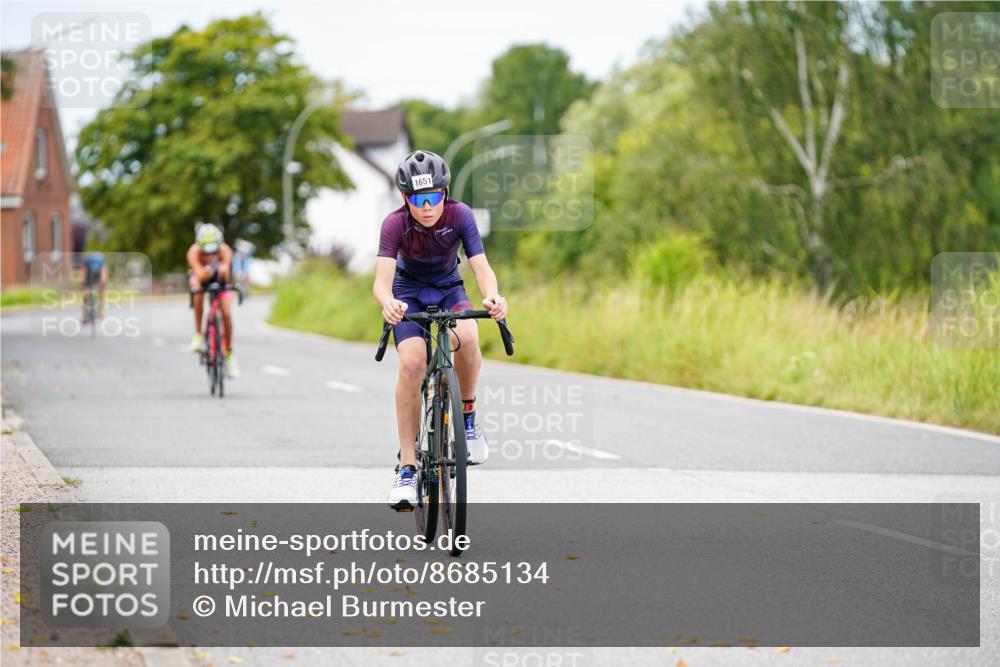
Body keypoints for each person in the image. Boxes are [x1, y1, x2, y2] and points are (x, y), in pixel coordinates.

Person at [374, 150, 508, 510]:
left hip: (450, 287)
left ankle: (467, 417)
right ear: (406, 198)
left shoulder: (460, 215)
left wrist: (492, 295)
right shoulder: (394, 224)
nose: (428, 207)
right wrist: (388, 303)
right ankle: (407, 468)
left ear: (445, 193)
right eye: (419, 199)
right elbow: (381, 282)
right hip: (408, 294)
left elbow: (481, 266)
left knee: (466, 337)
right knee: (412, 364)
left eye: (434, 197)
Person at [187, 223, 240, 378]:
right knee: (196, 291)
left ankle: (228, 353)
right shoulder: (193, 252)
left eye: (213, 252)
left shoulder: (225, 250)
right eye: (206, 252)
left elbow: (226, 272)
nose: (210, 256)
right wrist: (205, 273)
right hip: (201, 277)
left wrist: (222, 271)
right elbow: (198, 273)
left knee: (226, 314)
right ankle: (198, 334)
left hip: (220, 279)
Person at [80, 252, 108, 322]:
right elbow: (82, 273)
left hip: (98, 276)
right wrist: (82, 284)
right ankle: (85, 314)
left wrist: (102, 282)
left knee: (101, 291)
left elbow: (104, 273)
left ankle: (100, 311)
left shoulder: (101, 262)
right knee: (85, 294)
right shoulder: (86, 262)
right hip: (88, 276)